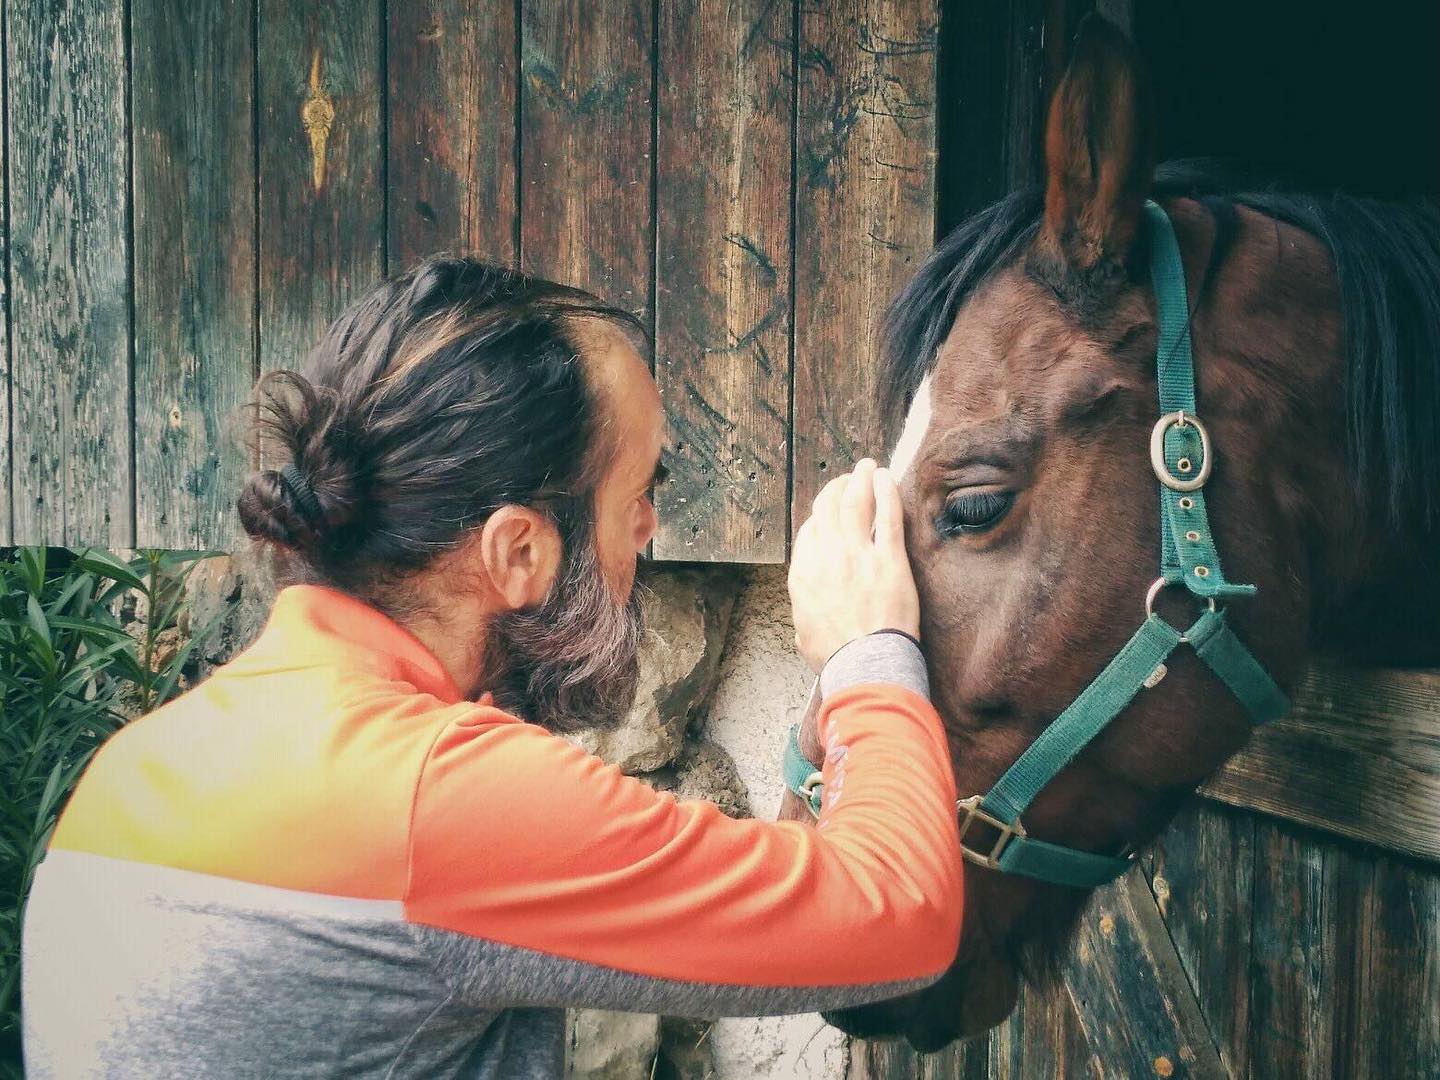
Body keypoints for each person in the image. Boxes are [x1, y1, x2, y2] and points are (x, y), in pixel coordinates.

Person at [21, 259, 962, 1078]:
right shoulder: (435, 800)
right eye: (641, 493)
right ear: (517, 552)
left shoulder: (132, 768)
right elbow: (903, 916)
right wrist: (865, 647)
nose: (650, 529)